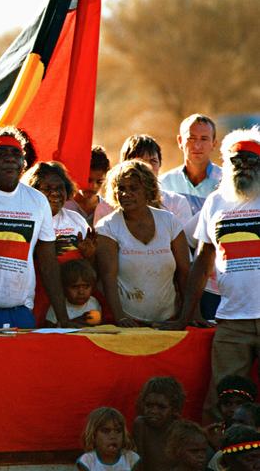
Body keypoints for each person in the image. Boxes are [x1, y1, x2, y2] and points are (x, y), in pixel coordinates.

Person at [175, 127, 260, 418]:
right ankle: (220, 459)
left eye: (251, 161)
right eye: (237, 162)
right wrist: (188, 313)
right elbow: (202, 259)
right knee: (222, 399)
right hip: (232, 320)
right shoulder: (216, 202)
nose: (244, 168)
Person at [0, 127, 67, 329]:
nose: (10, 159)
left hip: (21, 311)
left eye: (16, 153)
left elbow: (48, 264)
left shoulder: (37, 200)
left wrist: (63, 316)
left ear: (24, 163)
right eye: (0, 153)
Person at [95, 160, 191, 326]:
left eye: (133, 188)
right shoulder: (107, 226)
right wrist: (121, 318)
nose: (126, 194)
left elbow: (185, 273)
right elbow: (107, 277)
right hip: (128, 321)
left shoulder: (169, 221)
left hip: (169, 319)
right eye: (121, 188)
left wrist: (189, 316)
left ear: (148, 190)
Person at [161, 114, 223, 319]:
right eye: (191, 138)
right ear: (180, 141)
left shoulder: (228, 183)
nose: (197, 145)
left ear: (214, 143)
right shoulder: (163, 184)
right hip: (176, 276)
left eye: (204, 139)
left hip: (217, 280)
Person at [23, 161, 97, 326]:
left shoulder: (76, 219)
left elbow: (88, 270)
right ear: (33, 191)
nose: (55, 193)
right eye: (47, 189)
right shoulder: (27, 218)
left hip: (72, 300)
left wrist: (89, 255)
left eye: (60, 188)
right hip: (39, 295)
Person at [93, 134, 192, 227]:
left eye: (153, 161)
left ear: (160, 164)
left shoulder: (176, 203)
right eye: (139, 162)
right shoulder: (106, 209)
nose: (148, 168)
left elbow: (184, 242)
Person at [133, 376, 186, 471]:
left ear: (174, 409)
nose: (154, 411)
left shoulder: (180, 430)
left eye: (161, 407)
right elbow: (138, 463)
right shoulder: (141, 425)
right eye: (149, 405)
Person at [206, 375, 258, 450]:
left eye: (240, 403)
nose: (234, 409)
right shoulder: (213, 435)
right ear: (219, 407)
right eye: (227, 404)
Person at [46, 259, 101, 326]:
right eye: (75, 287)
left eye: (86, 286)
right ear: (63, 288)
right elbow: (49, 328)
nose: (81, 292)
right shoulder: (58, 306)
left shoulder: (93, 302)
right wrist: (76, 321)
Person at [65, 145, 111, 225]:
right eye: (88, 180)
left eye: (99, 182)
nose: (93, 186)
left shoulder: (108, 209)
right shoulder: (64, 206)